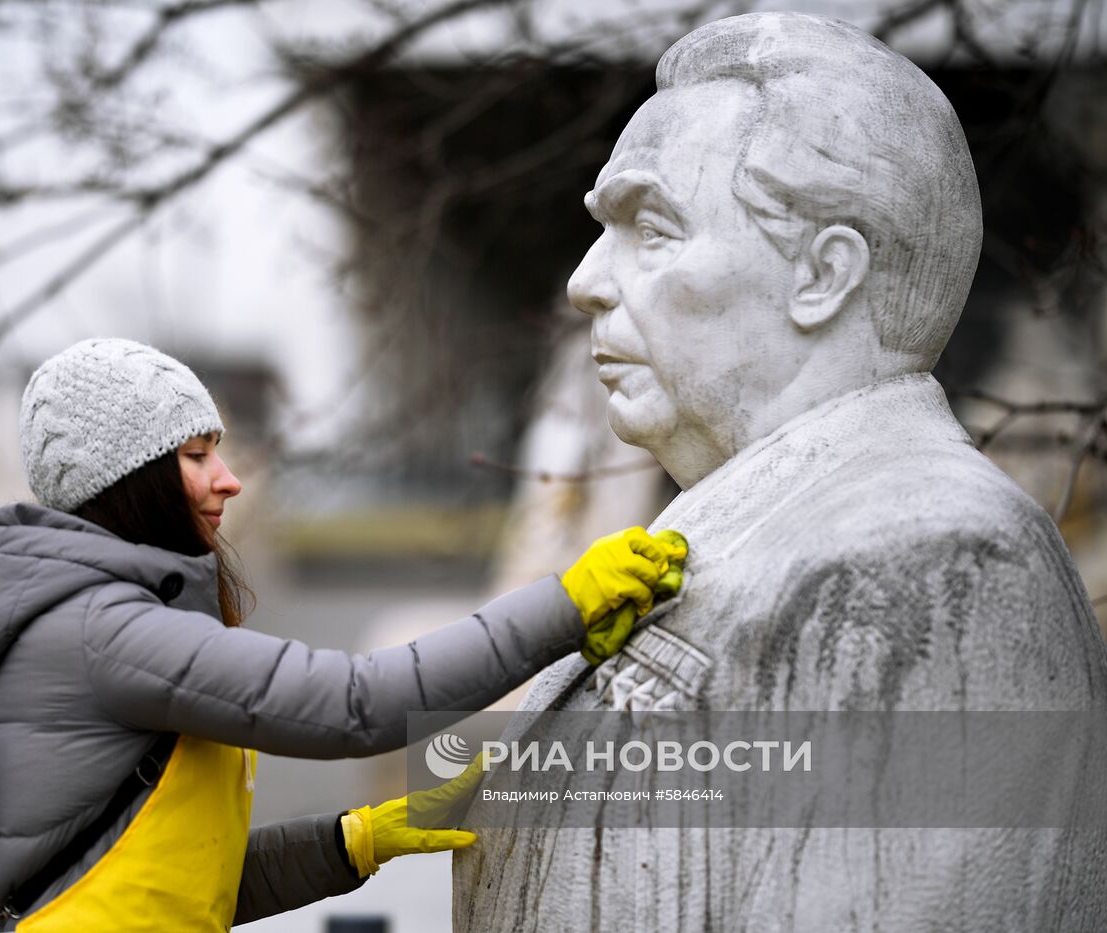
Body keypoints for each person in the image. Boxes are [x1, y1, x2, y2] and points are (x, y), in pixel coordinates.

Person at [452, 12, 1107, 932]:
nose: (586, 279)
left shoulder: (939, 570)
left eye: (652, 229)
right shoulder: (742, 541)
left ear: (823, 274)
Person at [0, 337, 687, 932]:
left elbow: (182, 883)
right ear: (131, 482)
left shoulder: (96, 618)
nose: (229, 478)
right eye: (196, 456)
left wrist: (348, 842)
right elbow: (354, 703)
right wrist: (562, 604)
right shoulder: (104, 630)